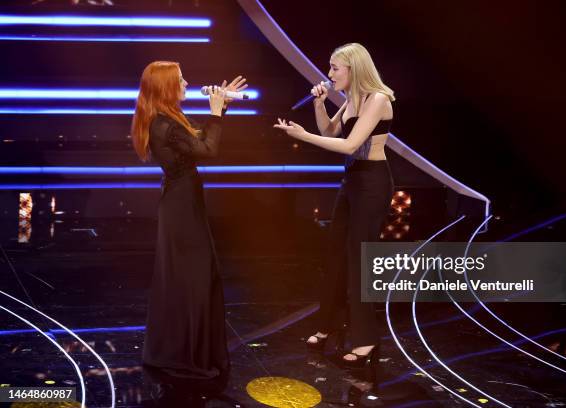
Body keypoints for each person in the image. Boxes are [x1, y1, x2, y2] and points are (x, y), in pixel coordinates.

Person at [274, 43, 395, 373]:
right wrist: (319, 104)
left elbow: (350, 144)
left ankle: (366, 338)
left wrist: (303, 136)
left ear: (354, 69)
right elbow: (330, 130)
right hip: (352, 180)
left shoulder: (378, 99)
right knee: (335, 256)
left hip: (372, 183)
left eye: (334, 68)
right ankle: (328, 324)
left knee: (359, 259)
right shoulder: (351, 99)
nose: (329, 75)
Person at [131, 60, 247, 396]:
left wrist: (221, 105)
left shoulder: (169, 118)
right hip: (181, 211)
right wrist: (216, 113)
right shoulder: (163, 125)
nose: (187, 82)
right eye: (181, 79)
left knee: (193, 277)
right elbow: (208, 149)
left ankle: (180, 349)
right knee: (193, 279)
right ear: (166, 86)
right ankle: (185, 356)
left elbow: (197, 138)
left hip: (184, 205)